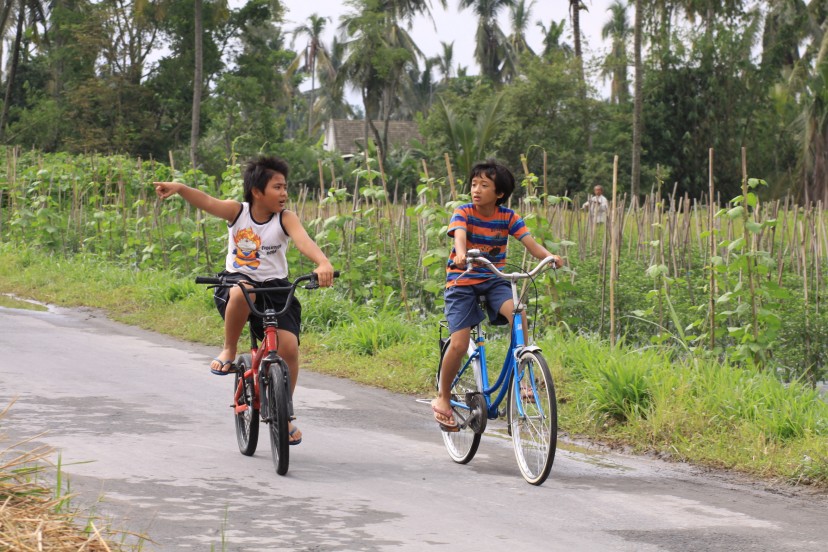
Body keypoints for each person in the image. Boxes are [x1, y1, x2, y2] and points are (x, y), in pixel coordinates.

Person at [155, 155, 334, 445]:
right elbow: (207, 201)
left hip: (275, 289)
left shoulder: (285, 218)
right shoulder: (238, 212)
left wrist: (323, 263)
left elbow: (304, 241)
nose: (284, 193)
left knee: (288, 348)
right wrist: (181, 188)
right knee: (243, 289)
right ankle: (228, 349)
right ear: (257, 191)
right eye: (277, 187)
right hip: (236, 285)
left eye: (285, 187)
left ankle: (284, 413)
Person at [432, 160, 562, 431]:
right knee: (459, 342)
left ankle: (522, 375)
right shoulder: (463, 212)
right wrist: (459, 254)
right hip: (462, 281)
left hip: (493, 280)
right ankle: (443, 397)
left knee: (519, 310)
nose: (476, 190)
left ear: (499, 193)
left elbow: (531, 243)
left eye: (484, 185)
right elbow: (459, 236)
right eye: (474, 184)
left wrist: (549, 257)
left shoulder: (508, 217)